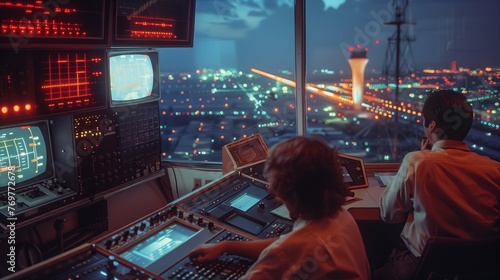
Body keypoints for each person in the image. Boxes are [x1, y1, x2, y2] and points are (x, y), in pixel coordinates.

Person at [189, 136, 371, 279]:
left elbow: (287, 250)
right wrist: (226, 246)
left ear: (291, 193)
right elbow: (285, 245)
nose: (277, 196)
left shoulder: (295, 248)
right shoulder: (340, 216)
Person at [373, 90, 500, 280]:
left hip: (425, 267)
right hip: (481, 270)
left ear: (431, 126)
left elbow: (388, 214)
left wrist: (421, 158)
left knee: (374, 267)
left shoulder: (416, 163)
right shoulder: (495, 170)